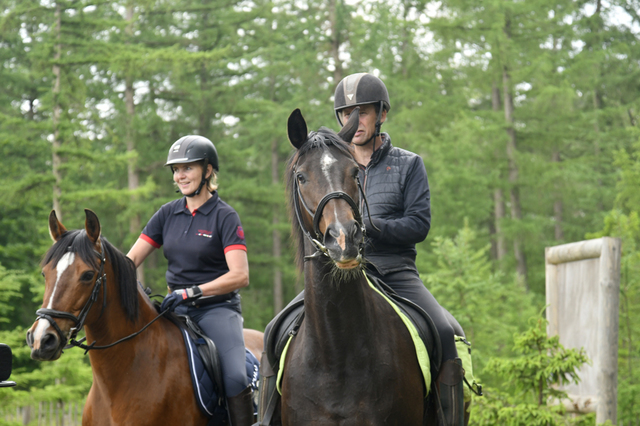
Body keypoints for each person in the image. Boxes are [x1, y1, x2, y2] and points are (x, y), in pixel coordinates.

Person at [333, 72, 464, 426]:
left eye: (362, 112)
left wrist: (373, 228)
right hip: (343, 274)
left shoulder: (409, 164)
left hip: (395, 271)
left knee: (444, 332)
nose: (353, 121)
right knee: (277, 332)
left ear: (382, 114)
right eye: (346, 114)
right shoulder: (334, 166)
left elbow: (419, 225)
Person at [127, 135, 254, 426]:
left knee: (235, 377)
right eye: (176, 169)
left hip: (216, 310)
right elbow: (130, 261)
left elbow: (240, 275)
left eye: (188, 168)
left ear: (208, 171)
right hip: (173, 310)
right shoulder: (167, 214)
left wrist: (191, 293)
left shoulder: (225, 216)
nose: (180, 175)